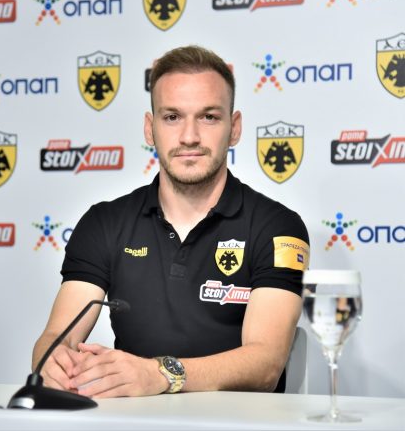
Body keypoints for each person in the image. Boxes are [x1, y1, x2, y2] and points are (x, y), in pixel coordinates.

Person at [32, 45, 310, 398]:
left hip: (237, 422)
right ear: (150, 129)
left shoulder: (277, 227)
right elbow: (57, 336)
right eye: (172, 117)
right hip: (132, 420)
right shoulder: (104, 222)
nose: (189, 136)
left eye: (209, 117)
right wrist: (53, 361)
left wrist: (160, 374)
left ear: (235, 128)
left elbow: (266, 364)